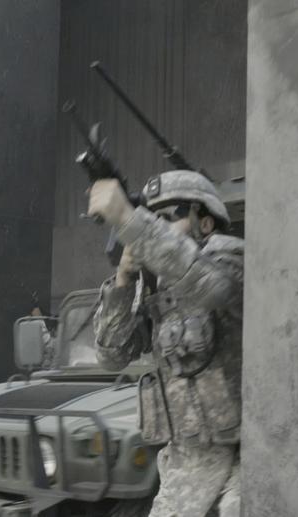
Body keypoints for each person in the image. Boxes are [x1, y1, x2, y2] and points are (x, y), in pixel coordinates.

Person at [90, 170, 243, 517]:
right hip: (185, 467)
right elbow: (111, 356)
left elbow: (210, 287)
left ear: (205, 224)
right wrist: (124, 279)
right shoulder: (153, 287)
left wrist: (130, 221)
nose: (153, 225)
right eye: (149, 217)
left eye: (166, 217)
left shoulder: (231, 260)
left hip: (246, 460)